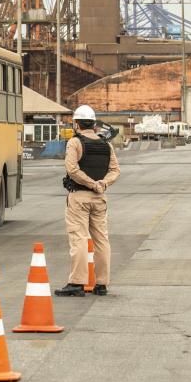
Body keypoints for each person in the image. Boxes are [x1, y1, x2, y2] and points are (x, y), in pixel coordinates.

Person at [55, 105, 121, 297]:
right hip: (100, 198)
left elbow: (72, 170)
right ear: (94, 124)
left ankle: (77, 283)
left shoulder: (75, 142)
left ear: (77, 124)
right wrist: (102, 184)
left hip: (80, 197)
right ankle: (102, 284)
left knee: (79, 238)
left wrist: (91, 184)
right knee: (101, 240)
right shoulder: (106, 145)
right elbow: (115, 170)